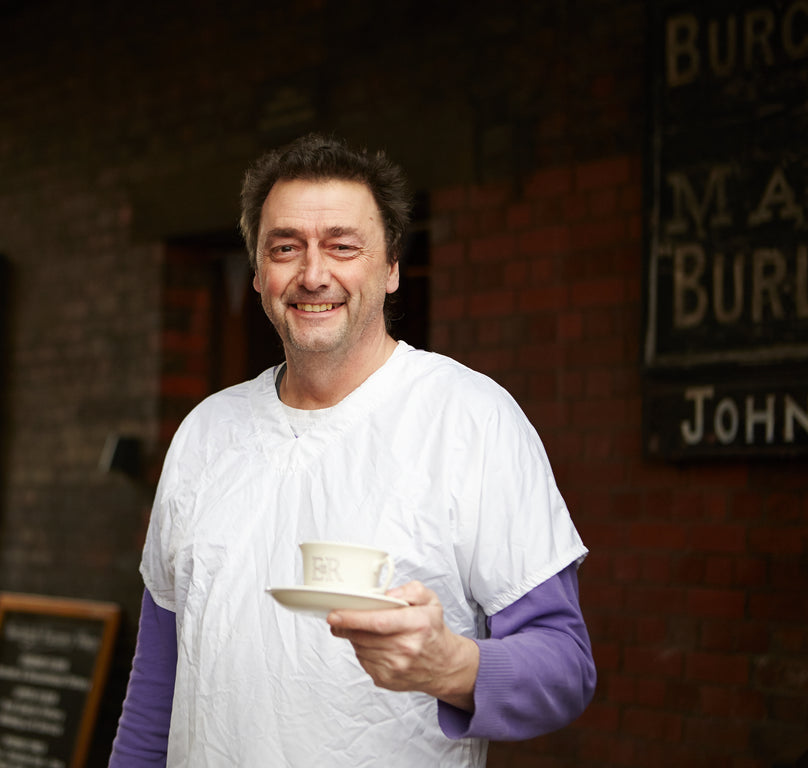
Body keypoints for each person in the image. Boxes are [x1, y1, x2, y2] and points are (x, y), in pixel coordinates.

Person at [109, 133, 595, 766]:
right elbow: (157, 686)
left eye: (343, 246)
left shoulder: (471, 420)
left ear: (391, 266)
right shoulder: (204, 434)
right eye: (286, 248)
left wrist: (454, 665)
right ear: (258, 272)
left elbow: (565, 665)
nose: (314, 274)